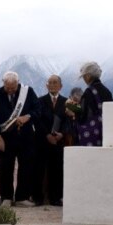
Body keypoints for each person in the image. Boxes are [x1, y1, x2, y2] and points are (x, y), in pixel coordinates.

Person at [0, 71, 39, 207]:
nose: (10, 90)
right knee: (4, 168)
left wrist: (27, 116)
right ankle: (6, 197)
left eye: (13, 88)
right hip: (6, 137)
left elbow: (38, 110)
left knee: (26, 167)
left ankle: (22, 197)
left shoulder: (28, 92)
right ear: (3, 83)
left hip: (25, 136)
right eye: (7, 87)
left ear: (18, 83)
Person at [32, 75, 67, 206]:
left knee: (57, 169)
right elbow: (37, 119)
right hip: (42, 140)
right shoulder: (39, 101)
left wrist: (61, 134)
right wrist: (47, 135)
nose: (52, 85)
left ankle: (56, 198)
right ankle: (38, 197)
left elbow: (67, 121)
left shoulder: (66, 102)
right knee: (39, 169)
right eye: (50, 83)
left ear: (60, 86)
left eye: (55, 83)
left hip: (58, 142)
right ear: (46, 86)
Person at [77, 62, 113, 147]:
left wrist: (73, 111)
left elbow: (83, 116)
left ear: (88, 76)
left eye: (84, 77)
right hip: (107, 132)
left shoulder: (88, 92)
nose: (84, 79)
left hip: (92, 137)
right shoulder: (107, 91)